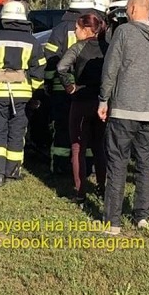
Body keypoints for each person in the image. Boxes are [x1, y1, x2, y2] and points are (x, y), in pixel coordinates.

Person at [98, 0, 149, 233]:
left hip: (123, 108)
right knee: (145, 164)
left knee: (118, 162)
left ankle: (113, 220)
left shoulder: (124, 33)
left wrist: (103, 99)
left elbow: (110, 69)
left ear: (132, 9)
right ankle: (143, 215)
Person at [0, 0, 45, 187]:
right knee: (17, 131)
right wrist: (36, 94)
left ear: (4, 19)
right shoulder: (32, 41)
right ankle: (13, 171)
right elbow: (39, 71)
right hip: (23, 95)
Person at [57, 13, 109, 203]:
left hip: (80, 101)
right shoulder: (108, 48)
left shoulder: (78, 47)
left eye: (77, 28)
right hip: (102, 102)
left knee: (78, 147)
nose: (74, 31)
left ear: (86, 30)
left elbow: (61, 67)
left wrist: (69, 86)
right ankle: (103, 189)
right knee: (99, 147)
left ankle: (80, 192)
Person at [44, 0, 95, 174]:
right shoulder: (96, 26)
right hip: (88, 89)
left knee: (62, 127)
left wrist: (48, 82)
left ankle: (60, 167)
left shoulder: (60, 29)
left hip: (62, 89)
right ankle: (88, 168)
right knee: (87, 128)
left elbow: (50, 58)